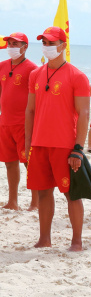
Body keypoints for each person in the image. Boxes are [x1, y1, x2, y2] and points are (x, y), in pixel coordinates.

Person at [24, 26, 91, 250]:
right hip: (40, 143)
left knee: (71, 194)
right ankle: (44, 239)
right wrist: (27, 145)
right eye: (44, 43)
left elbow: (84, 113)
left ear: (63, 45)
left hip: (65, 144)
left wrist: (78, 149)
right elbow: (30, 111)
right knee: (43, 192)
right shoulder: (35, 74)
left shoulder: (77, 76)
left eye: (52, 43)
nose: (47, 47)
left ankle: (77, 241)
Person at [0, 32, 38, 211]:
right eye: (10, 43)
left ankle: (35, 202)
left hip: (23, 123)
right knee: (9, 162)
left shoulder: (32, 69)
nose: (11, 47)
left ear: (25, 47)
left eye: (16, 44)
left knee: (29, 162)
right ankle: (12, 201)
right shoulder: (2, 66)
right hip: (5, 122)